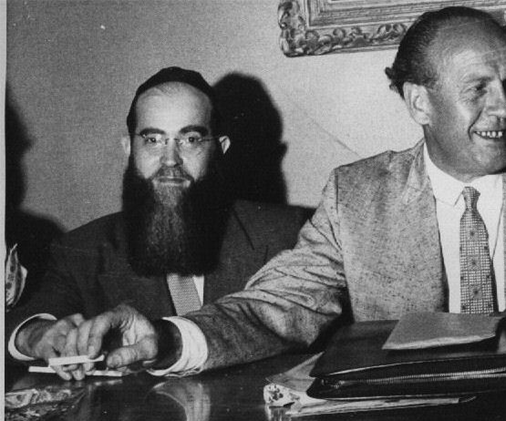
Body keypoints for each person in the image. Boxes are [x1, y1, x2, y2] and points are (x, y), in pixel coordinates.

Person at [40, 8, 506, 381]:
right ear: (419, 103)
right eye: (478, 88)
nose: (505, 107)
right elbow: (276, 305)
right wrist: (169, 337)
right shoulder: (356, 197)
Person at [5, 67, 309, 380]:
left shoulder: (284, 235)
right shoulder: (81, 252)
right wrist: (34, 335)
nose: (170, 159)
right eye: (153, 140)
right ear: (129, 149)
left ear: (219, 148)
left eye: (190, 139)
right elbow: (25, 320)